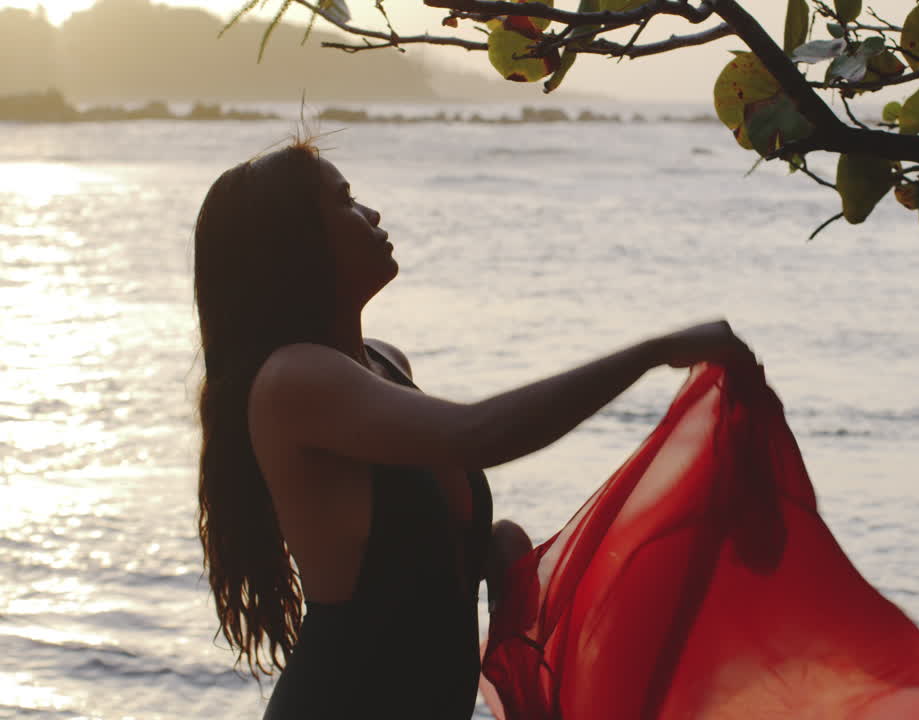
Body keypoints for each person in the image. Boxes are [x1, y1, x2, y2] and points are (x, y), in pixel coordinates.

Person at [192, 139, 753, 719]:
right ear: (296, 244)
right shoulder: (292, 379)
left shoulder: (383, 364)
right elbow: (480, 433)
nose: (371, 214)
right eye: (344, 202)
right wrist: (655, 352)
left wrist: (494, 548)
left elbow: (411, 558)